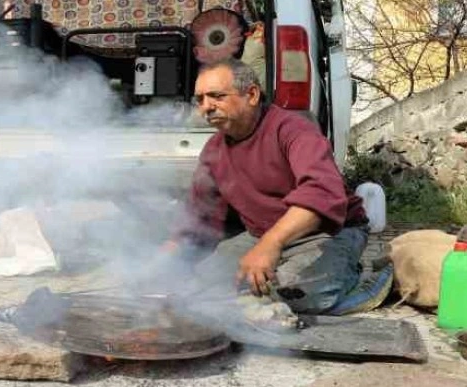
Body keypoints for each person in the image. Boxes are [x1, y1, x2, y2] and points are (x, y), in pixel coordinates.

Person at [163, 58, 392, 315]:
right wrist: (169, 255)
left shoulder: (293, 130)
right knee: (202, 286)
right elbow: (199, 216)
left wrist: (270, 243)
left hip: (329, 231)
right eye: (200, 99)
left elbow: (322, 192)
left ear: (251, 94)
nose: (206, 107)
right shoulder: (213, 151)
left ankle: (356, 279)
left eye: (216, 96)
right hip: (263, 236)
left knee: (296, 293)